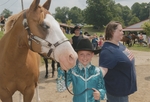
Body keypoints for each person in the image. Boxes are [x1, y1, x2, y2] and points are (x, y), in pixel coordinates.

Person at [99, 21, 137, 102]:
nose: (122, 33)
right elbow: (103, 70)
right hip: (116, 93)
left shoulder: (119, 45)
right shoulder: (108, 51)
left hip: (123, 91)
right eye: (120, 31)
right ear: (112, 32)